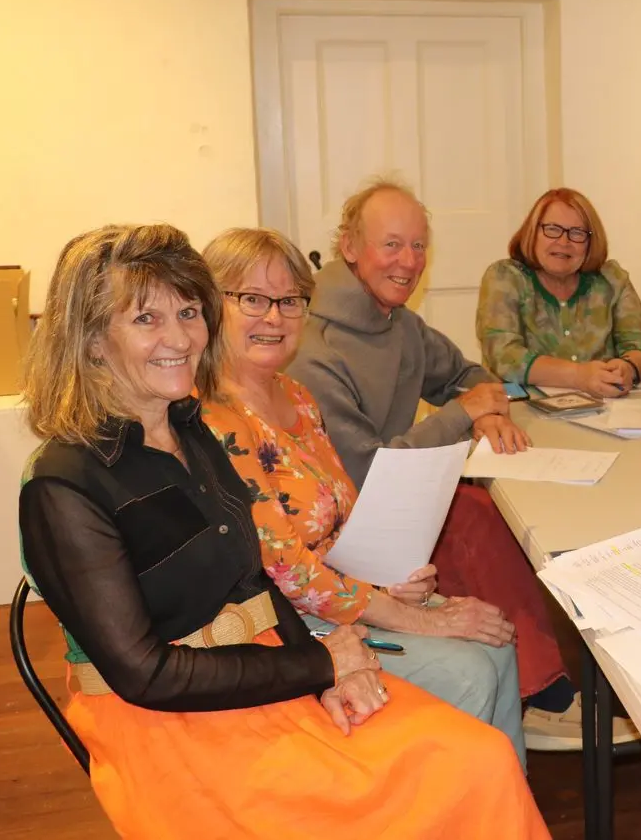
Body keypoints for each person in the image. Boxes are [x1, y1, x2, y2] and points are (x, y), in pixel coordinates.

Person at [17, 224, 547, 839]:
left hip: (259, 671)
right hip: (161, 726)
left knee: (480, 756)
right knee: (450, 772)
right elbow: (146, 676)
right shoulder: (64, 484)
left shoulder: (189, 430)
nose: (180, 338)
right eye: (145, 319)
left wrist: (330, 670)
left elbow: (256, 579)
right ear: (91, 342)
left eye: (188, 312)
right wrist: (320, 663)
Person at [287, 177, 637, 750]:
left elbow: (466, 374)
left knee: (480, 512)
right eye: (391, 245)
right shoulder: (314, 346)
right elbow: (366, 475)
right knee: (474, 521)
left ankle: (540, 688)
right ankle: (542, 695)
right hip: (347, 529)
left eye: (418, 246)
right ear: (349, 246)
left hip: (390, 506)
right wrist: (462, 414)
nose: (409, 262)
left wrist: (483, 410)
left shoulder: (399, 322)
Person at [200, 227, 526, 764]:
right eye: (252, 299)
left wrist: (393, 579)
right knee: (468, 671)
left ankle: (503, 803)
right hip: (285, 625)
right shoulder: (213, 417)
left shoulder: (296, 396)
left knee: (496, 643)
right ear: (213, 306)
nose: (274, 317)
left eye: (289, 300)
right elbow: (284, 569)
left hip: (342, 598)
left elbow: (346, 516)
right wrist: (418, 618)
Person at [477, 187, 641, 396]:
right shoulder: (505, 277)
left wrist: (628, 368)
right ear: (532, 233)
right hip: (523, 407)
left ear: (591, 242)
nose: (564, 242)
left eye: (577, 233)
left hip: (604, 407)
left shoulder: (612, 280)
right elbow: (504, 356)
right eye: (552, 229)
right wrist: (578, 376)